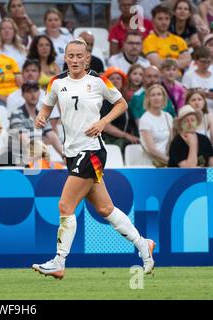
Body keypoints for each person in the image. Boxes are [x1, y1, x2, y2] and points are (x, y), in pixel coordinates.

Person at [32, 39, 155, 279]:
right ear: (65, 58)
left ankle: (59, 261)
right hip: (72, 152)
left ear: (87, 58)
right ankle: (144, 245)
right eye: (71, 56)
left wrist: (103, 122)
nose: (75, 60)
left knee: (65, 206)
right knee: (105, 208)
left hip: (92, 151)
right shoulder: (56, 83)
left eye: (80, 56)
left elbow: (121, 103)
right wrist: (41, 117)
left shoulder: (98, 82)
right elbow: (47, 107)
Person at [9, 81, 63, 165]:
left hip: (38, 157)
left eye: (35, 90)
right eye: (28, 91)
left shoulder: (41, 115)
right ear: (23, 95)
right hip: (20, 159)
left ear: (39, 93)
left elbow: (51, 135)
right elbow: (22, 138)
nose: (33, 94)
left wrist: (64, 155)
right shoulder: (16, 113)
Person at [100, 67, 139, 153]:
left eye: (118, 78)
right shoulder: (104, 102)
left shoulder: (125, 101)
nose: (116, 81)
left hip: (123, 143)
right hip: (109, 144)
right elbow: (106, 127)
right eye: (112, 79)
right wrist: (126, 136)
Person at [142, 4, 191, 70]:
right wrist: (176, 62)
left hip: (179, 77)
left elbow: (187, 61)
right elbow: (157, 63)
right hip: (159, 77)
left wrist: (168, 63)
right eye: (160, 19)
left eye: (167, 19)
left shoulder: (179, 40)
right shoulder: (148, 40)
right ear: (153, 20)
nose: (164, 22)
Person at [139, 84, 173, 167]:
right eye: (153, 95)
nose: (156, 98)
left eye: (159, 94)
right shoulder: (145, 119)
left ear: (163, 97)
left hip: (167, 162)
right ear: (148, 99)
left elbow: (171, 141)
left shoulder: (168, 116)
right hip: (152, 163)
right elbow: (151, 149)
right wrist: (170, 161)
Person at [181, 46, 213, 113]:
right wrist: (198, 93)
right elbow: (183, 96)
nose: (206, 65)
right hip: (194, 112)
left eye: (208, 62)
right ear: (196, 61)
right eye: (203, 62)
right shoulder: (189, 75)